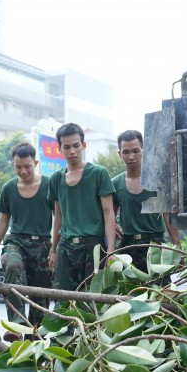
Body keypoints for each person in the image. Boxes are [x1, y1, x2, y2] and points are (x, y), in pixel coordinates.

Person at [0, 142, 53, 326]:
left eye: (27, 166)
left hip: (42, 246)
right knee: (13, 266)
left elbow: (60, 218)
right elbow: (3, 221)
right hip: (16, 241)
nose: (23, 171)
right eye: (18, 167)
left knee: (40, 300)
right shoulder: (8, 188)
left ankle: (35, 340)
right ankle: (17, 324)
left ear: (36, 163)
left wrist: (55, 249)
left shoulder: (49, 185)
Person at [48, 123, 117, 291]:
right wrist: (53, 249)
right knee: (63, 301)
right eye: (67, 147)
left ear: (83, 145)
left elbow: (109, 213)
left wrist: (111, 249)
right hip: (66, 247)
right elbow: (58, 217)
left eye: (76, 146)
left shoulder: (99, 173)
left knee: (92, 300)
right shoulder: (56, 178)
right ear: (60, 149)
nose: (72, 151)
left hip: (93, 247)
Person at [112, 130, 180, 273]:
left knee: (159, 290)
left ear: (144, 150)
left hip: (155, 245)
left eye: (135, 151)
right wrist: (111, 250)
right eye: (126, 152)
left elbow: (168, 215)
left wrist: (178, 248)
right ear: (119, 154)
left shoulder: (158, 180)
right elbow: (109, 216)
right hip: (127, 248)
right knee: (128, 292)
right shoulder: (115, 183)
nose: (131, 156)